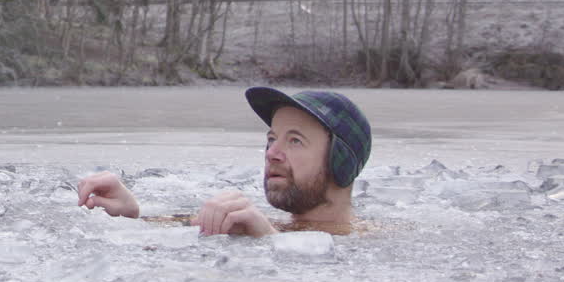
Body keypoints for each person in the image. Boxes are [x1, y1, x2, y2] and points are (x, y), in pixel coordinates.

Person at [75, 87, 372, 237]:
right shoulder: (281, 226)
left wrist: (269, 242)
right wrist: (132, 217)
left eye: (294, 140)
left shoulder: (368, 247)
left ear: (341, 162)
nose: (272, 153)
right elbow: (187, 227)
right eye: (271, 139)